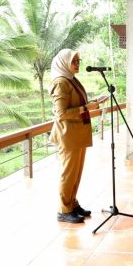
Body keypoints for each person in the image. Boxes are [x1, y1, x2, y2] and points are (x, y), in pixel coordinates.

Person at [49, 49, 106, 224]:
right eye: (74, 61)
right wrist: (87, 108)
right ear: (64, 63)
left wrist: (95, 101)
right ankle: (63, 210)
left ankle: (72, 204)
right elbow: (61, 113)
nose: (77, 64)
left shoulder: (71, 80)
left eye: (78, 61)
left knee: (76, 174)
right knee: (68, 175)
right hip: (68, 136)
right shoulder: (61, 83)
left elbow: (80, 103)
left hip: (77, 134)